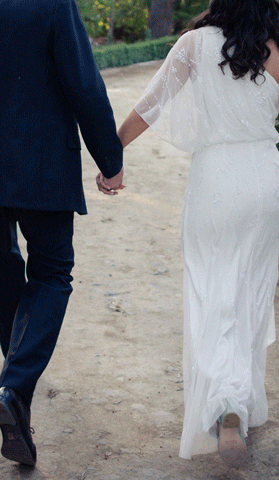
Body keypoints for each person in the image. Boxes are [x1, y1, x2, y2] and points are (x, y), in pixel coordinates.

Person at [117, 0, 279, 468]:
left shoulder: (193, 45)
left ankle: (225, 402)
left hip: (215, 180)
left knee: (211, 289)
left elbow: (151, 105)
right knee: (249, 290)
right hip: (263, 183)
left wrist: (112, 153)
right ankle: (238, 402)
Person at [0, 0, 124, 466]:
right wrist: (110, 161)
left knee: (4, 271)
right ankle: (13, 387)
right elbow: (84, 86)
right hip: (41, 164)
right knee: (52, 274)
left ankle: (14, 392)